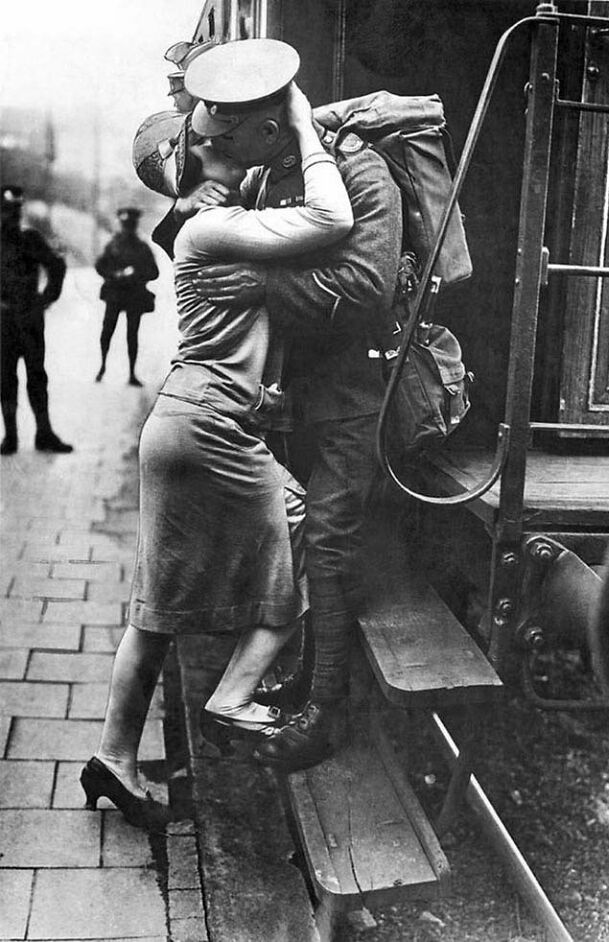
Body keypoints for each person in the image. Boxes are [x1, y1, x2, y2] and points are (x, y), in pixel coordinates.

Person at [79, 79, 354, 830]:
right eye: (210, 141)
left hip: (183, 419)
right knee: (302, 526)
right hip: (204, 425)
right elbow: (334, 217)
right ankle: (235, 695)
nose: (225, 146)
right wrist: (302, 123)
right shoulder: (209, 230)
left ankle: (114, 757)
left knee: (157, 607)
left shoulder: (211, 227)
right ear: (190, 165)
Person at [166, 39, 403, 772]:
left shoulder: (360, 171)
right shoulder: (272, 172)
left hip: (356, 390)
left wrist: (262, 288)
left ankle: (324, 714)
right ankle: (308, 678)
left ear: (271, 128)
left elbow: (369, 287)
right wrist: (197, 201)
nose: (222, 153)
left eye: (230, 138)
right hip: (305, 392)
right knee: (305, 543)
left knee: (327, 540)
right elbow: (188, 240)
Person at [0, 185, 72, 455]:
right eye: (6, 211)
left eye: (15, 211)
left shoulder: (30, 239)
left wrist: (47, 298)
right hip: (3, 321)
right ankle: (10, 437)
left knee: (36, 376)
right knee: (5, 378)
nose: (10, 217)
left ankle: (44, 433)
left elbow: (57, 265)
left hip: (29, 319)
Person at [95, 208, 159, 386]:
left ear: (135, 226)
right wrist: (115, 274)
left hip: (134, 295)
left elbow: (154, 272)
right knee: (107, 330)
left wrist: (136, 274)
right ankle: (102, 367)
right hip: (114, 293)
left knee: (132, 335)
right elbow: (100, 266)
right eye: (125, 225)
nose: (127, 229)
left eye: (130, 225)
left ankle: (132, 373)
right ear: (121, 225)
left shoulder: (142, 247)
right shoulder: (113, 245)